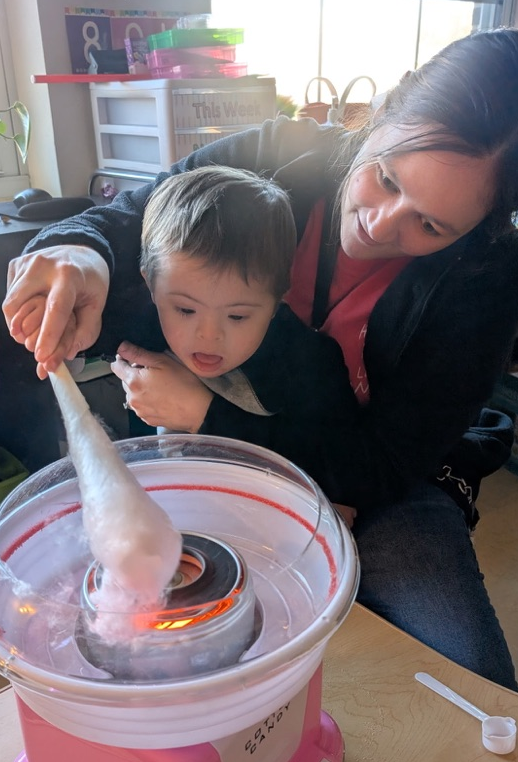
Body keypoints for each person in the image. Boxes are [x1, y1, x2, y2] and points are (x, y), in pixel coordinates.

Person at [4, 28, 518, 690]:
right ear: (383, 114)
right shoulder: (277, 159)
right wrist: (80, 254)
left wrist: (204, 411)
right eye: (384, 177)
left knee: (472, 681)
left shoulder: (487, 273)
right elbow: (124, 220)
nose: (379, 226)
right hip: (225, 455)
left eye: (431, 226)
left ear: (481, 226)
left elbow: (382, 466)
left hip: (377, 484)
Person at [117, 163, 362, 510]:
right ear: (151, 285)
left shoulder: (309, 364)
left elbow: (340, 472)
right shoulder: (142, 332)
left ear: (278, 300)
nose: (208, 335)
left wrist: (204, 414)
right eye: (185, 310)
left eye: (237, 316)